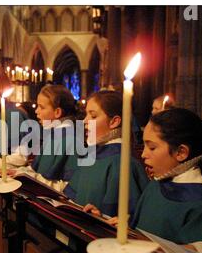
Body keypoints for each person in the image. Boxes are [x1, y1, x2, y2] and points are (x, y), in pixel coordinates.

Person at [129, 108, 202, 244]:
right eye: (144, 145)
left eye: (152, 147)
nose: (143, 155)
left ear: (181, 152)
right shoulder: (156, 185)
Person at [63, 90, 149, 218]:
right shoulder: (94, 154)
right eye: (86, 115)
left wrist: (102, 217)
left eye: (93, 116)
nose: (85, 121)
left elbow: (129, 218)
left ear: (114, 122)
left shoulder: (120, 162)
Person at [11, 85, 78, 191]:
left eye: (41, 107)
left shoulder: (70, 139)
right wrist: (18, 172)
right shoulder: (53, 134)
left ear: (57, 112)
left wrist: (30, 177)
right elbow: (36, 169)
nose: (36, 111)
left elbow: (68, 186)